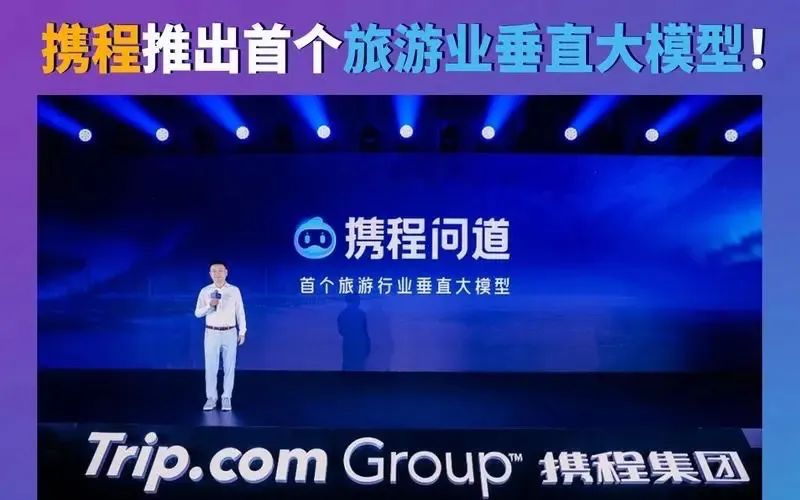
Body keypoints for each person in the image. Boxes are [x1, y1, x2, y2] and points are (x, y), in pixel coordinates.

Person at [194, 261, 246, 411]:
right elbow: (197, 313)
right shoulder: (205, 291)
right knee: (211, 367)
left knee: (229, 366)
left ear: (226, 272)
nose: (217, 274)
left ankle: (226, 397)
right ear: (210, 274)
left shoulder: (234, 290)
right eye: (214, 271)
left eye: (220, 271)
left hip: (230, 332)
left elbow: (240, 312)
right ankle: (211, 398)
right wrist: (210, 305)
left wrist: (242, 331)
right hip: (212, 333)